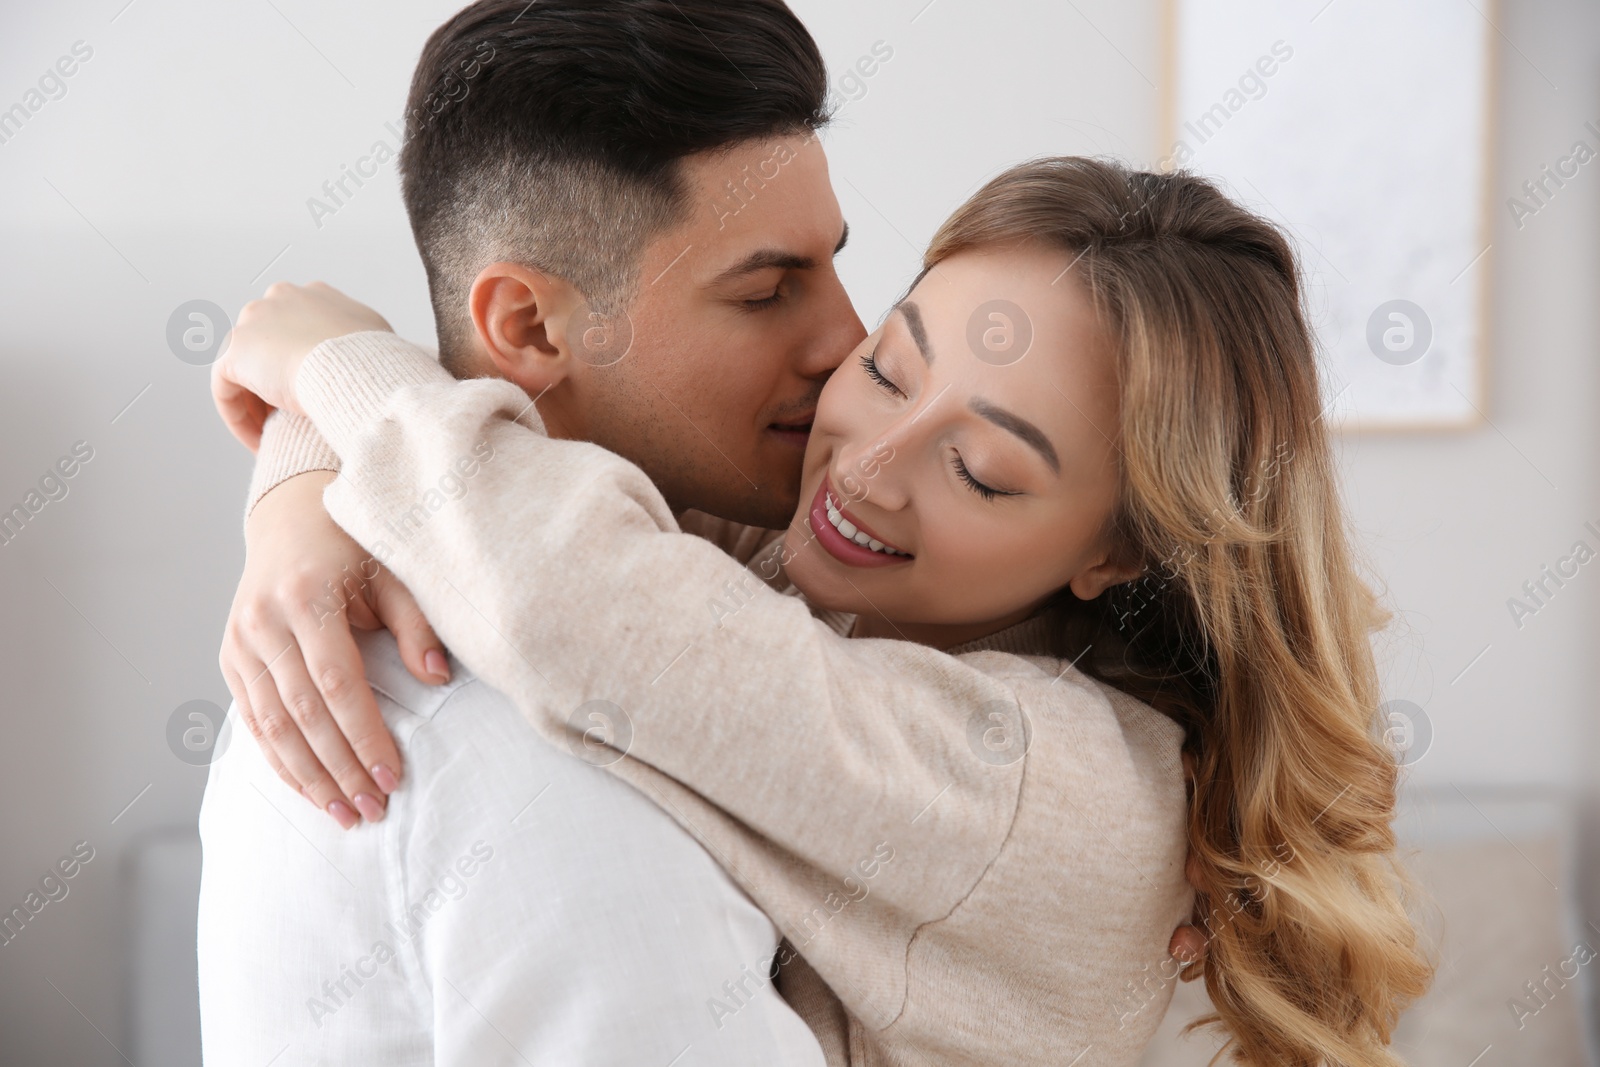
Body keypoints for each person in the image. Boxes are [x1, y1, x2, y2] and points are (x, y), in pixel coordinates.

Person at [212, 157, 1436, 1065]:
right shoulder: (809, 571)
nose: (865, 465)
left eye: (982, 471)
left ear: (1117, 552)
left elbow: (569, 606)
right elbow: (512, 466)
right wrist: (304, 491)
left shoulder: (1049, 785)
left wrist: (334, 369)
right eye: (890, 366)